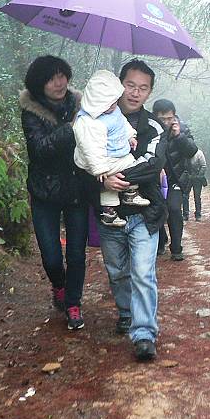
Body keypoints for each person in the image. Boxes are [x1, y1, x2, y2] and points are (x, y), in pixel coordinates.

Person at [76, 59, 167, 361]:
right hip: (109, 215)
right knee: (117, 272)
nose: (135, 93)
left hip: (144, 213)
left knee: (143, 272)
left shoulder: (153, 127)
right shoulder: (91, 121)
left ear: (149, 92)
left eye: (143, 88)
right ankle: (127, 313)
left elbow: (154, 164)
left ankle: (144, 334)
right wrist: (101, 178)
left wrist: (117, 176)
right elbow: (82, 164)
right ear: (119, 85)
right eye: (130, 85)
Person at [20, 55, 88, 331]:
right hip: (44, 191)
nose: (59, 83)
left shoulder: (82, 105)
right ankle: (59, 285)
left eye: (62, 76)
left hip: (76, 189)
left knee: (76, 253)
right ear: (39, 84)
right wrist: (71, 129)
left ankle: (73, 303)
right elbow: (40, 149)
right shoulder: (31, 111)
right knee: (51, 255)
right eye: (51, 78)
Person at [72, 70, 150, 228]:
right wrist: (100, 169)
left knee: (110, 188)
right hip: (99, 161)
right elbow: (91, 149)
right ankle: (130, 192)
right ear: (98, 101)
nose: (114, 105)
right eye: (110, 103)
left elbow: (121, 123)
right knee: (132, 163)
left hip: (111, 156)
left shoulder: (113, 111)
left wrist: (130, 136)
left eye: (115, 101)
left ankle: (109, 213)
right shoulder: (88, 123)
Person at [152, 99, 197, 260]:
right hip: (153, 180)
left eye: (169, 118)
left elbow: (192, 151)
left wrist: (179, 136)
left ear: (174, 116)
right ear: (155, 116)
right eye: (162, 119)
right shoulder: (150, 128)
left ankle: (176, 248)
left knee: (175, 209)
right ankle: (160, 242)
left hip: (175, 179)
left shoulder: (182, 128)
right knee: (156, 210)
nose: (166, 122)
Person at [183, 147, 207, 221]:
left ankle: (198, 214)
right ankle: (185, 214)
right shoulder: (184, 152)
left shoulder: (199, 153)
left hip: (197, 177)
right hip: (187, 177)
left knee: (197, 196)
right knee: (185, 195)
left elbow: (203, 166)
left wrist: (198, 176)